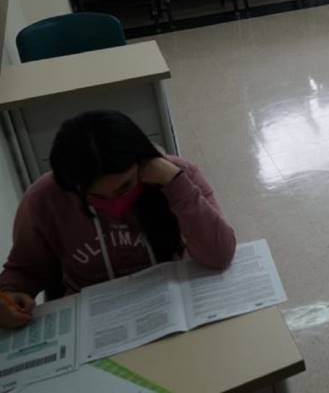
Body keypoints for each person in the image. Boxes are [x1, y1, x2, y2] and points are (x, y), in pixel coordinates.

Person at [0, 111, 236, 327]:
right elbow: (23, 271)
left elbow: (220, 254)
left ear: (142, 164)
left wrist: (175, 184)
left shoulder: (178, 176)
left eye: (125, 187)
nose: (113, 202)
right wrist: (7, 296)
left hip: (172, 305)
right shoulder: (45, 197)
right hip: (94, 320)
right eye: (96, 196)